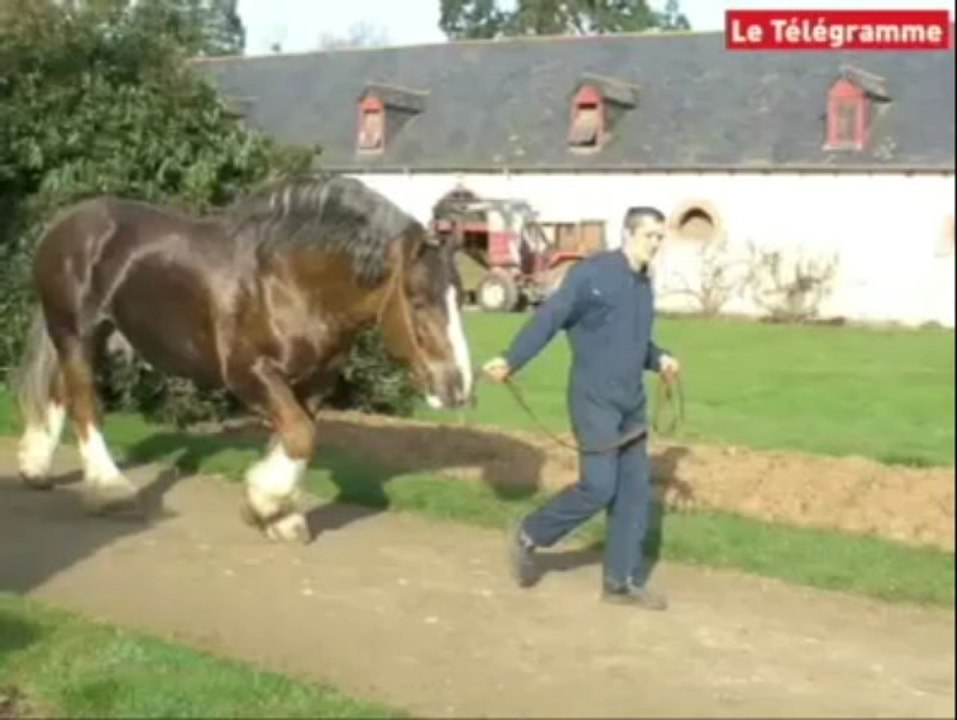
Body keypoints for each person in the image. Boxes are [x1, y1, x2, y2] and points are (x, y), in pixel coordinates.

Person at [482, 206, 680, 610]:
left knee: (633, 493)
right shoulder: (592, 274)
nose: (656, 243)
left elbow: (629, 340)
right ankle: (529, 533)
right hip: (594, 400)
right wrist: (511, 359)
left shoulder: (643, 282)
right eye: (650, 235)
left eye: (661, 237)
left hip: (631, 402)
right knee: (599, 487)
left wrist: (658, 357)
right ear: (628, 234)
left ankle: (619, 584)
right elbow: (551, 317)